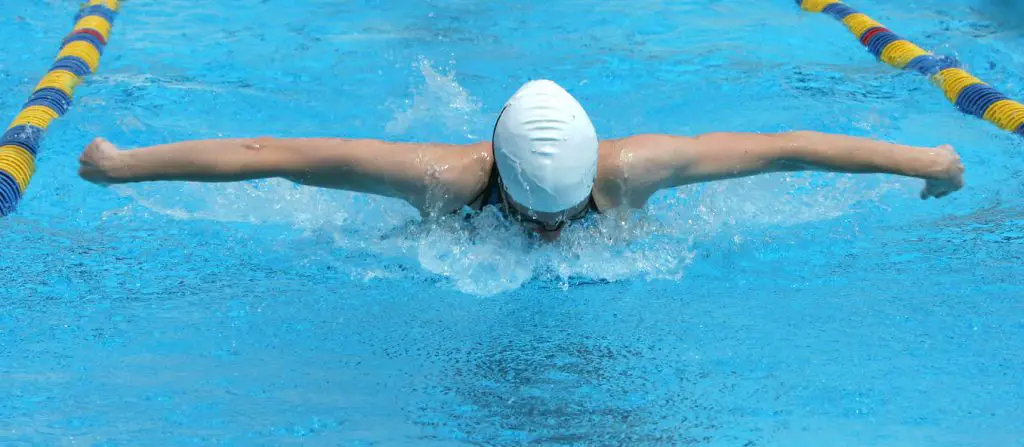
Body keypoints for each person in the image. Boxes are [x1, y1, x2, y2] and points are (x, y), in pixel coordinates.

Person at [78, 80, 964, 241]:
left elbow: (791, 148)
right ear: (494, 176)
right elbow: (270, 155)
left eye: (566, 215)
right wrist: (123, 167)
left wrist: (928, 157)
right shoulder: (439, 179)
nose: (549, 231)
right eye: (532, 214)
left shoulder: (633, 169)